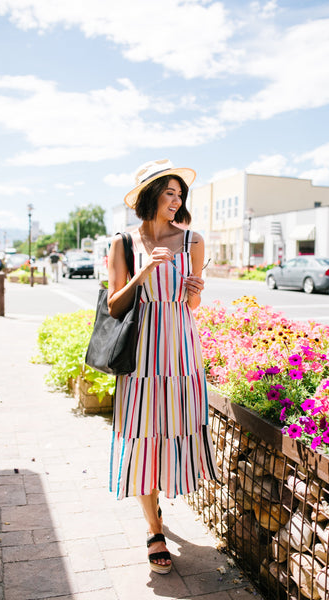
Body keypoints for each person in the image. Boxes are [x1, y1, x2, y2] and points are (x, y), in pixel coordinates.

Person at [107, 159, 218, 575]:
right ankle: (154, 529)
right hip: (141, 355)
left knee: (172, 429)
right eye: (168, 193)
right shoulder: (123, 243)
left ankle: (161, 507)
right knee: (141, 435)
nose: (176, 201)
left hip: (181, 352)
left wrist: (194, 293)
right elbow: (114, 304)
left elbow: (190, 306)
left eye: (179, 194)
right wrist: (146, 272)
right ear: (151, 197)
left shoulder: (193, 241)